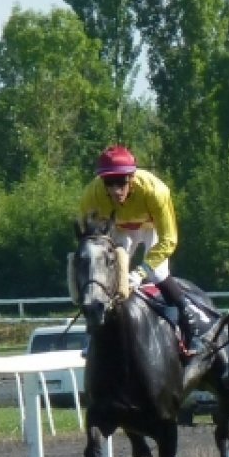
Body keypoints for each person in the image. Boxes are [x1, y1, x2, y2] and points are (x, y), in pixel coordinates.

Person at [78, 145, 206, 356]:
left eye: (121, 182)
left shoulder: (156, 191)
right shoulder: (91, 196)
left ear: (131, 178)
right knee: (103, 271)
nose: (115, 190)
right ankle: (93, 331)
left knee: (157, 273)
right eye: (109, 183)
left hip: (150, 226)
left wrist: (140, 272)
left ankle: (190, 324)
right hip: (119, 228)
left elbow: (169, 240)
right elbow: (89, 238)